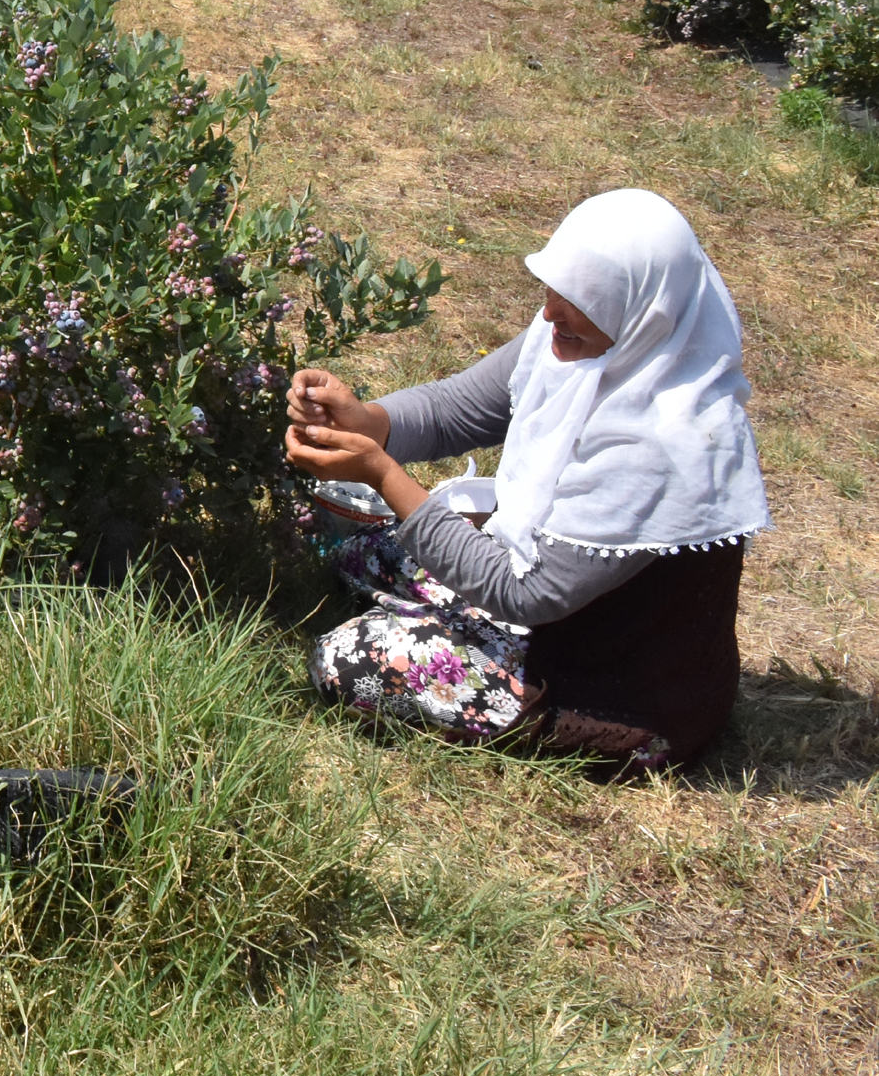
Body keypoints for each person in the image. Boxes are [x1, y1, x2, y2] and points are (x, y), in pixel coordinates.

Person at [286, 189, 770, 776]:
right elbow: (458, 407)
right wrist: (370, 422)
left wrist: (384, 475)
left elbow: (527, 595)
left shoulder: (668, 443)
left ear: (643, 308)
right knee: (355, 549)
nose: (548, 315)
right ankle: (435, 626)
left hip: (605, 682)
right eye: (553, 290)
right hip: (550, 610)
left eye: (578, 299)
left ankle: (471, 663)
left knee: (346, 660)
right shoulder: (587, 336)